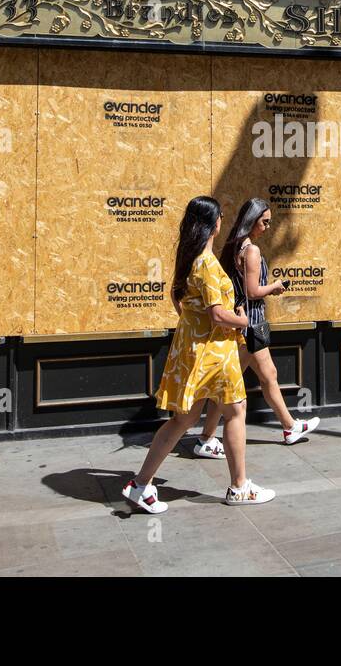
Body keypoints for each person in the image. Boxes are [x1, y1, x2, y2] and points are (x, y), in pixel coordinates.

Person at [122, 196, 275, 513]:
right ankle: (239, 487)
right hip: (215, 351)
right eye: (220, 215)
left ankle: (140, 485)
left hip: (193, 351)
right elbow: (218, 315)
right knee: (235, 412)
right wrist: (243, 320)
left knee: (184, 419)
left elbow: (183, 305)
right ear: (214, 222)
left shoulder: (190, 259)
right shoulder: (205, 264)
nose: (223, 220)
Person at [190, 199, 320, 458]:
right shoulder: (252, 251)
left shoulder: (234, 246)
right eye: (265, 221)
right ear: (252, 221)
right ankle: (206, 438)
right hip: (249, 323)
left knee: (264, 375)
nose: (268, 227)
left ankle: (288, 426)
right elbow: (252, 291)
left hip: (244, 323)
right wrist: (275, 286)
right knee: (233, 384)